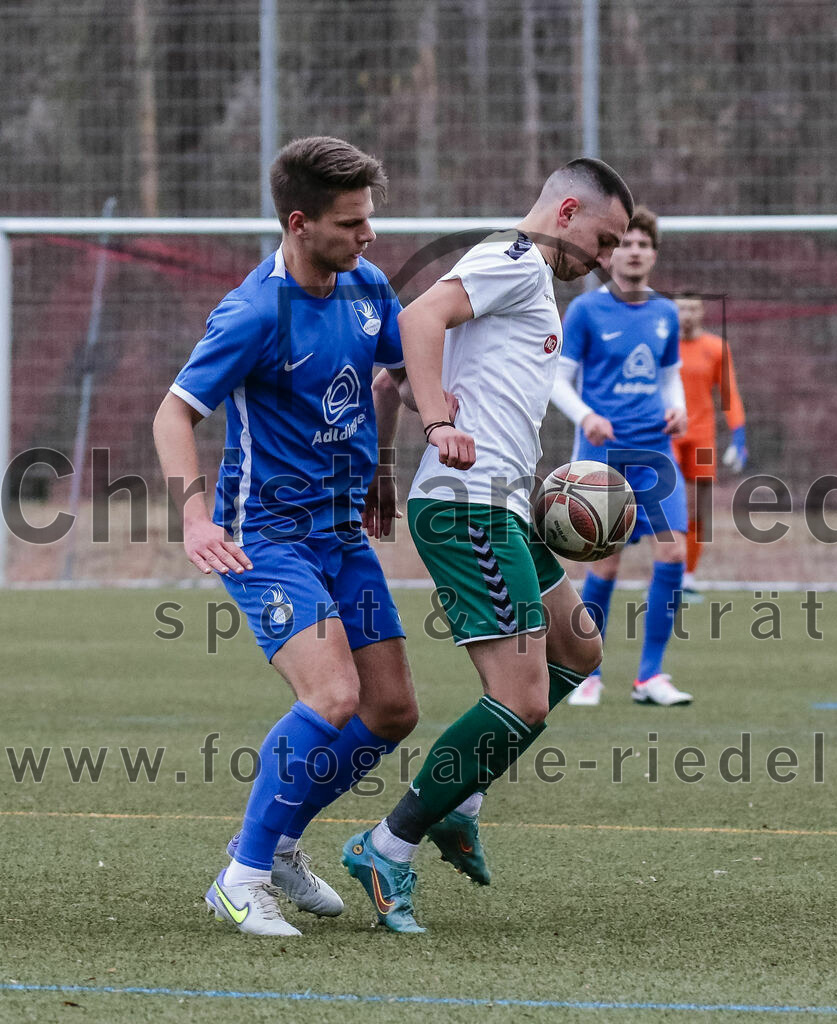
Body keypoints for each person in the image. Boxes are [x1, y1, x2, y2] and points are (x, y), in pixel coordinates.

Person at [340, 158, 633, 933]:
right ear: (566, 210)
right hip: (468, 509)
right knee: (520, 697)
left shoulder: (526, 282)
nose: (601, 261)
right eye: (602, 241)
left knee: (577, 650)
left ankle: (458, 797)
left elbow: (391, 378)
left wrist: (387, 455)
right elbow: (415, 321)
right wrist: (439, 426)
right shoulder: (512, 259)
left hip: (499, 503)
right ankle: (388, 844)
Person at [152, 136, 420, 937]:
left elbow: (396, 371)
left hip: (340, 532)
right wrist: (195, 516)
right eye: (349, 224)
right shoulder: (252, 313)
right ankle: (240, 878)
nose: (367, 236)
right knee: (332, 696)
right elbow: (173, 413)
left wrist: (382, 463)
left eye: (369, 219)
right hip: (264, 535)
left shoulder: (366, 284)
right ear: (299, 224)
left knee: (392, 710)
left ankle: (276, 847)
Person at [550, 206, 691, 708]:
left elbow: (670, 375)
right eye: (626, 243)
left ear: (653, 253)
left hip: (656, 451)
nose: (634, 252)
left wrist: (678, 409)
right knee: (605, 567)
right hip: (603, 453)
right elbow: (559, 381)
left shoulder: (665, 313)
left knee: (673, 554)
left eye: (643, 245)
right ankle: (587, 673)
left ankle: (650, 675)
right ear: (611, 254)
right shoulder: (587, 311)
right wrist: (586, 415)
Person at [672, 293, 748, 597]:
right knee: (671, 504)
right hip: (668, 435)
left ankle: (687, 577)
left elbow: (729, 394)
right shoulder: (663, 344)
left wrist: (739, 436)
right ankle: (666, 572)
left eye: (692, 307)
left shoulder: (716, 348)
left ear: (702, 312)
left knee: (698, 509)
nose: (687, 314)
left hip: (702, 436)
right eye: (681, 308)